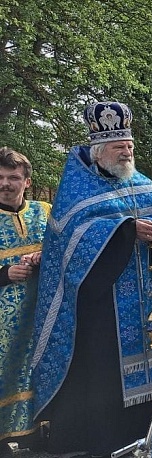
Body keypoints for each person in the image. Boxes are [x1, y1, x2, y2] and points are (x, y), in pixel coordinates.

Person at [29, 101, 152, 457]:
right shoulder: (77, 190)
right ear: (99, 152)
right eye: (118, 147)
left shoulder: (139, 182)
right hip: (103, 309)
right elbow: (73, 240)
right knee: (106, 379)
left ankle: (149, 436)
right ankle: (109, 443)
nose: (126, 151)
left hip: (147, 302)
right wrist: (127, 231)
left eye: (129, 146)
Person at [0, 148, 50, 456]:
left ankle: (36, 431)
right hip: (3, 323)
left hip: (40, 312)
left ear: (27, 182)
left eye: (13, 178)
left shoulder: (44, 210)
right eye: (0, 178)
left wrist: (44, 256)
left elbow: (63, 249)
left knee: (37, 368)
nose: (5, 184)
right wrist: (5, 273)